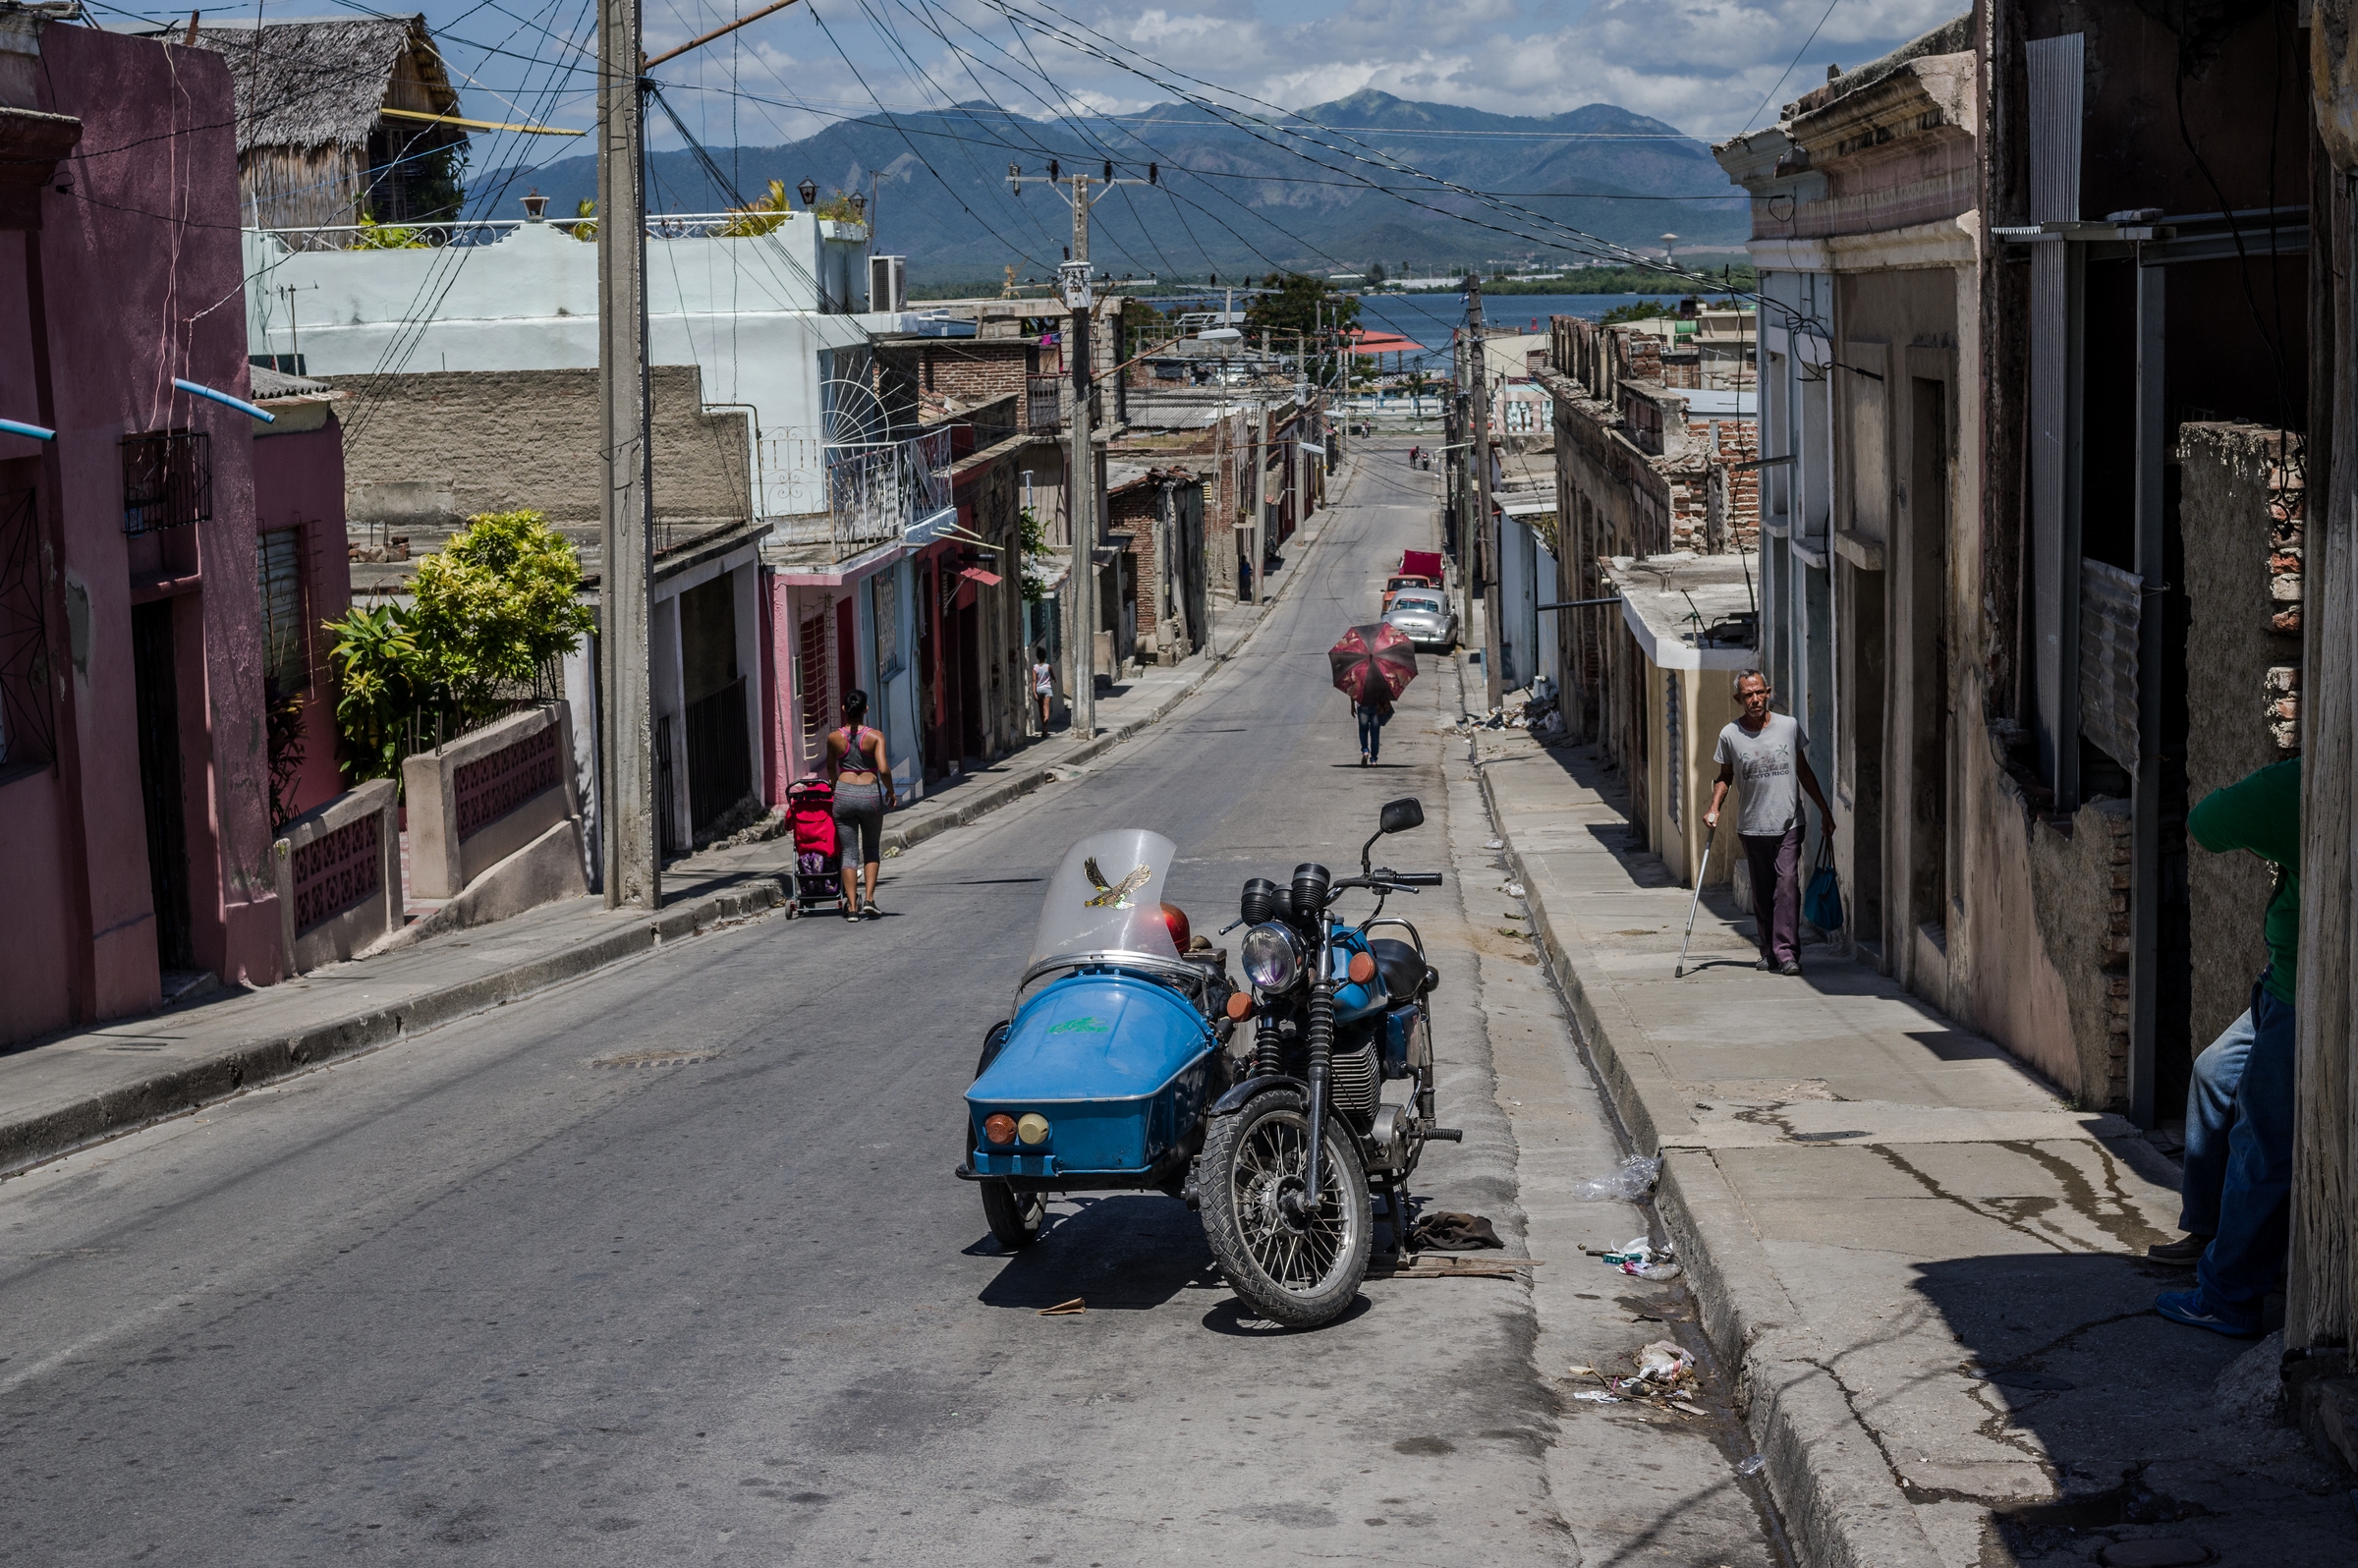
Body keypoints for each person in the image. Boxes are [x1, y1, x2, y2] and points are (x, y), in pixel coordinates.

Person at [2157, 756, 2301, 1337]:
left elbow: (2206, 823)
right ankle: (2207, 1232)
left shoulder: (2293, 784)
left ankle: (2229, 1295)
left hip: (2307, 997)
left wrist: (2268, 783)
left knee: (2264, 1142)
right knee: (2214, 1074)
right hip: (2279, 983)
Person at [1703, 669, 1832, 976]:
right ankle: (1768, 951)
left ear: (1768, 691)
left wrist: (1824, 811)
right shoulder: (1730, 735)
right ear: (1739, 699)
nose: (1755, 699)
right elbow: (1725, 777)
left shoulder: (1788, 726)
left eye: (1759, 692)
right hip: (1752, 825)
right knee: (1762, 892)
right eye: (1748, 695)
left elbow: (1803, 771)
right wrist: (1714, 808)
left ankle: (1787, 953)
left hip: (1789, 822)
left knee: (1787, 884)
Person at [2146, 1008, 2257, 1263]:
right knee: (2211, 1071)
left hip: (2294, 997)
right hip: (2274, 986)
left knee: (2260, 1113)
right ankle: (2204, 1231)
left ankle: (2246, 1258)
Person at [825, 690, 896, 921]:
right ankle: (870, 900)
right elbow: (884, 769)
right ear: (866, 709)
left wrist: (835, 787)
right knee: (871, 849)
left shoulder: (833, 738)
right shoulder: (875, 737)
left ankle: (852, 907)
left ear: (844, 709)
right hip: (869, 795)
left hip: (843, 794)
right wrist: (891, 791)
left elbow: (830, 768)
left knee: (848, 852)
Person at [1354, 686, 1392, 766]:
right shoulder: (1380, 677)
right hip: (1376, 707)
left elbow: (1352, 690)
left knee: (1363, 729)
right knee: (1375, 733)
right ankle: (1373, 759)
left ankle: (1365, 751)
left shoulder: (1359, 676)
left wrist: (1352, 705)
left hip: (1362, 706)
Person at [1032, 644, 1054, 737]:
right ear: (1045, 656)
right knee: (1047, 708)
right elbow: (1053, 676)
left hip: (1039, 689)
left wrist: (1034, 692)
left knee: (1041, 709)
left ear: (1037, 657)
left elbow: (1034, 680)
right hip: (1047, 689)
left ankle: (1043, 726)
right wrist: (1054, 679)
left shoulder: (1034, 668)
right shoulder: (1048, 667)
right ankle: (1046, 723)